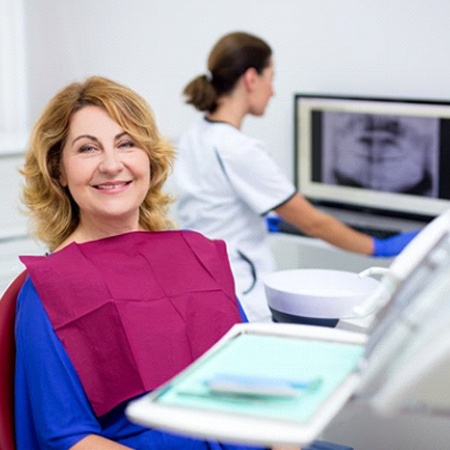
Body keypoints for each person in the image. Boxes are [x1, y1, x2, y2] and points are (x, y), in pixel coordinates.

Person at [14, 76, 351, 450]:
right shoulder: (49, 288)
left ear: (149, 159)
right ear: (58, 170)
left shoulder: (197, 255)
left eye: (126, 143)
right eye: (87, 149)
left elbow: (257, 388)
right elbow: (66, 437)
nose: (112, 165)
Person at [174, 31, 419, 323]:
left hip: (207, 284)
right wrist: (378, 247)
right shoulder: (239, 150)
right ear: (251, 79)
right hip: (243, 292)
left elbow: (210, 205)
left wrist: (255, 220)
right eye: (271, 77)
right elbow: (314, 223)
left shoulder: (194, 134)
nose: (273, 90)